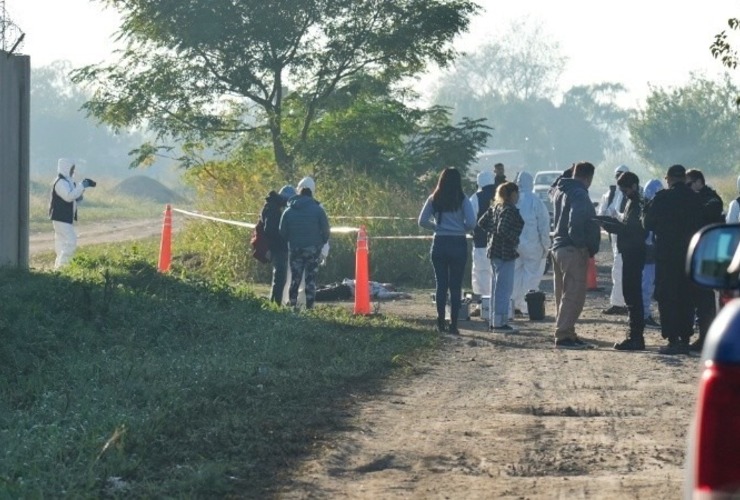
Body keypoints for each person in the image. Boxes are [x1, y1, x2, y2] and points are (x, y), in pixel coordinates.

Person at [643, 164, 704, 355]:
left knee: (667, 296)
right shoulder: (695, 199)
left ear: (669, 178)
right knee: (686, 297)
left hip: (667, 256)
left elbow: (648, 223)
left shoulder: (662, 198)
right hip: (689, 256)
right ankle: (686, 337)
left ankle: (672, 339)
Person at [418, 167, 477, 335]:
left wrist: (436, 226)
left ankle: (440, 320)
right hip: (458, 242)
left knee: (441, 284)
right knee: (456, 285)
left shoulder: (434, 198)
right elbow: (472, 223)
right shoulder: (462, 199)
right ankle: (454, 324)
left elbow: (421, 221)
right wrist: (462, 229)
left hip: (440, 242)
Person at [550, 161, 601, 349]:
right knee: (574, 295)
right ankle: (563, 335)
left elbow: (552, 188)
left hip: (558, 247)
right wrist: (581, 244)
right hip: (572, 249)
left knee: (562, 295)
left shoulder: (560, 189)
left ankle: (567, 332)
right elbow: (576, 220)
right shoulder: (579, 193)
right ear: (588, 178)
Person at [595, 172, 647, 351]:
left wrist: (609, 225)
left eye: (625, 189)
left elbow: (631, 230)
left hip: (634, 254)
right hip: (631, 253)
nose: (624, 193)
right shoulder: (633, 203)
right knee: (630, 295)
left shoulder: (637, 204)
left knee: (632, 296)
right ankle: (635, 335)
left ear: (633, 186)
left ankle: (636, 337)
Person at [685, 168, 724, 351]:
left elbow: (704, 217)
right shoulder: (698, 198)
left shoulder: (711, 200)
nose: (688, 187)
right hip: (699, 252)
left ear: (699, 182)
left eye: (690, 183)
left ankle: (706, 336)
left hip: (708, 254)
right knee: (698, 297)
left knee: (705, 299)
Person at [478, 182, 524, 332]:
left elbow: (482, 222)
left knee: (495, 288)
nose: (518, 196)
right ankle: (500, 322)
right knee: (504, 289)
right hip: (505, 253)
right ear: (511, 195)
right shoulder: (510, 210)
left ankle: (494, 320)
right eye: (516, 193)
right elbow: (502, 229)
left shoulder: (495, 207)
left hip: (494, 251)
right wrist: (514, 238)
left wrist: (493, 234)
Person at [279, 186, 331, 309]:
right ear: (311, 196)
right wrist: (321, 242)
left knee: (295, 279)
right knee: (310, 279)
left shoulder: (288, 210)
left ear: (299, 195)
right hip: (313, 249)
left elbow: (282, 231)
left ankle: (292, 304)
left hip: (295, 248)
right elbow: (326, 230)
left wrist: (290, 240)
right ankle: (310, 306)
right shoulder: (318, 210)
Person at [512, 171, 551, 316]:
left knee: (515, 275)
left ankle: (514, 305)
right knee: (531, 276)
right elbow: (544, 226)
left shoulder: (513, 200)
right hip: (533, 246)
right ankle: (528, 307)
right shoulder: (536, 201)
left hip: (514, 245)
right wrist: (546, 246)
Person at [48, 158, 96, 270]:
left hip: (64, 217)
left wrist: (81, 190)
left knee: (62, 243)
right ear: (65, 168)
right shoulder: (60, 182)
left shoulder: (67, 181)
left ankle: (58, 268)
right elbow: (69, 197)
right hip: (61, 217)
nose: (73, 171)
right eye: (71, 168)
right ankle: (63, 267)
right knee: (70, 241)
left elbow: (74, 197)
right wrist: (81, 186)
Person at [598, 164, 630, 315]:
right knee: (617, 269)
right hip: (615, 237)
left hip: (627, 237)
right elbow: (603, 213)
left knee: (621, 269)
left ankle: (621, 303)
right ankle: (620, 302)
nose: (620, 177)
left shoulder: (634, 194)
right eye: (618, 174)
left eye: (623, 174)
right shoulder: (610, 194)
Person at [261, 185, 295, 304]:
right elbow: (269, 230)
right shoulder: (274, 209)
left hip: (276, 246)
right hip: (278, 246)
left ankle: (275, 302)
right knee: (280, 277)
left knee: (280, 277)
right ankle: (275, 304)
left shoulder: (271, 206)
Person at [469, 170, 495, 305]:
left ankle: (484, 303)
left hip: (481, 242)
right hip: (499, 242)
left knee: (481, 272)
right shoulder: (500, 194)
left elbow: (471, 220)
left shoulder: (475, 197)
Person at [641, 179, 663, 329]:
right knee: (646, 285)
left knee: (647, 285)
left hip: (651, 251)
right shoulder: (653, 208)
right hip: (650, 252)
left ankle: (644, 313)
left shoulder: (644, 206)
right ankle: (644, 314)